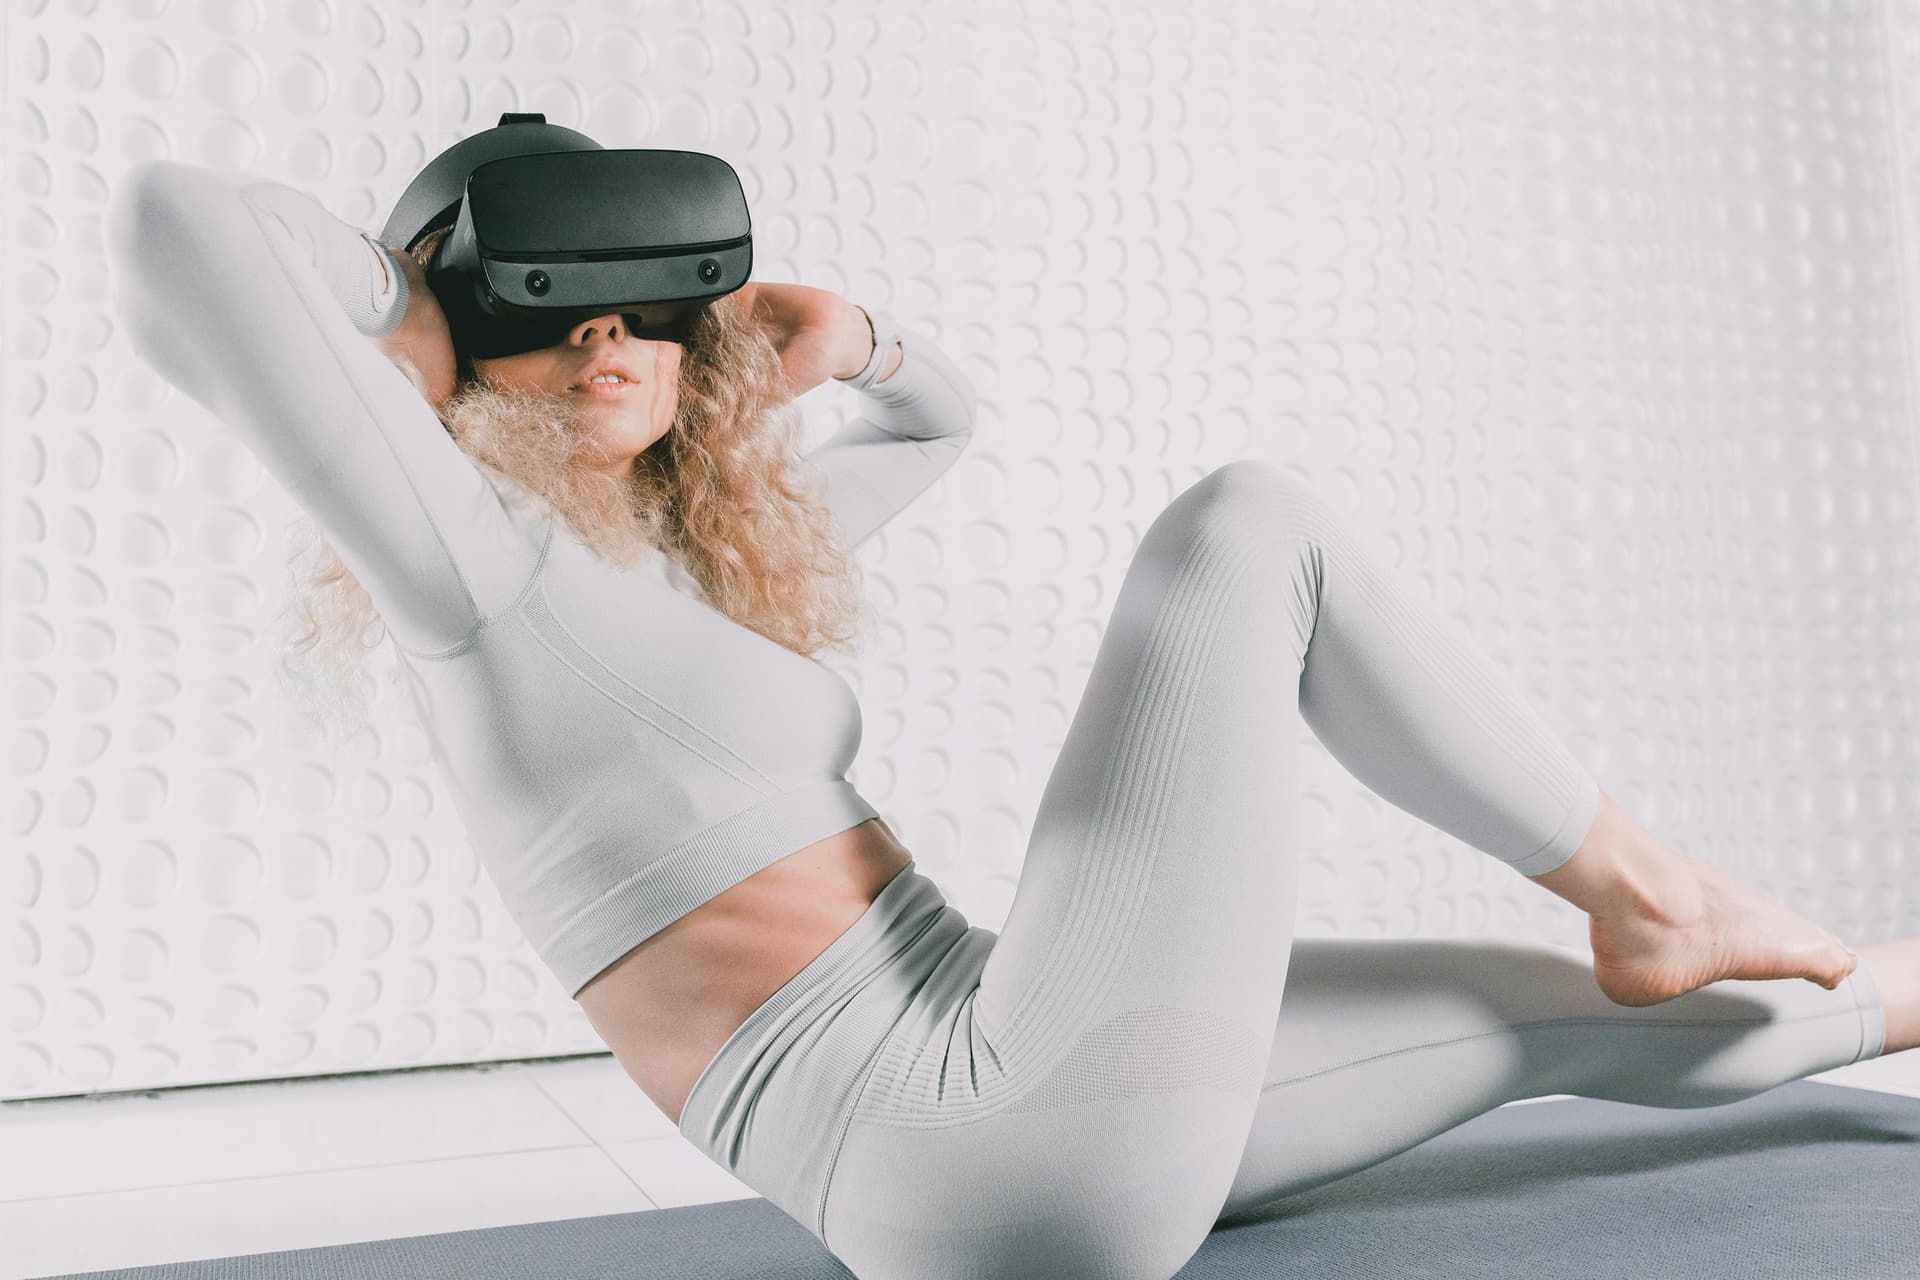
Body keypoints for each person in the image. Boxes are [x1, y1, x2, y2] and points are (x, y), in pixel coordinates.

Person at [105, 157, 1913, 1280]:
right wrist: (418, 304)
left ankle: (1886, 997)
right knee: (1247, 525)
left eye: (650, 310)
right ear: (456, 336)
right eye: (550, 308)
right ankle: (1648, 878)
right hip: (968, 1137)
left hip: (1011, 1087)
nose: (609, 344)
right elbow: (181, 226)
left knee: (1558, 1019)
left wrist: (849, 339)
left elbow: (938, 424)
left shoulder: (680, 573)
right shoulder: (474, 574)